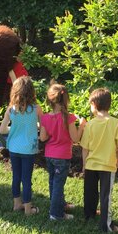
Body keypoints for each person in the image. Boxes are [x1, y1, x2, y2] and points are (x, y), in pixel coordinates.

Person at [80, 88, 118, 232]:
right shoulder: (116, 123)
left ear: (94, 104)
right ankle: (105, 225)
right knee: (106, 196)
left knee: (89, 192)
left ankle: (89, 215)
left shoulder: (90, 124)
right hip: (108, 166)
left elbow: (84, 148)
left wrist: (84, 165)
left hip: (91, 165)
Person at [40, 83, 86, 220]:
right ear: (66, 99)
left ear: (49, 99)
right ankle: (56, 214)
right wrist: (82, 126)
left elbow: (42, 137)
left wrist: (51, 131)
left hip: (49, 155)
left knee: (53, 181)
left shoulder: (45, 117)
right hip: (62, 157)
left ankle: (60, 204)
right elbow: (75, 138)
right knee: (58, 184)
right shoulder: (68, 117)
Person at [0, 76, 43, 216]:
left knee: (16, 177)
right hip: (28, 149)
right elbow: (42, 128)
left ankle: (17, 204)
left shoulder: (11, 109)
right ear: (32, 91)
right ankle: (28, 210)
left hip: (13, 148)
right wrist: (32, 126)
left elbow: (2, 130)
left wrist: (14, 128)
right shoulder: (36, 109)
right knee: (26, 179)